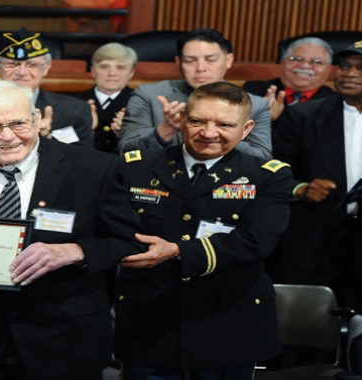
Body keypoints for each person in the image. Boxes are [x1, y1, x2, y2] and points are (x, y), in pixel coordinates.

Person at [0, 80, 149, 380]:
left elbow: (131, 242)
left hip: (65, 342)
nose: (7, 137)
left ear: (35, 118)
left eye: (18, 123)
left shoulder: (94, 168)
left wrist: (76, 251)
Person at [115, 82, 292, 379]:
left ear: (246, 129)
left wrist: (177, 251)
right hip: (149, 321)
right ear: (182, 119)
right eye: (197, 121)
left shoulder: (267, 176)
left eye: (225, 125)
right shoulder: (138, 167)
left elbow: (255, 242)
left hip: (226, 323)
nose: (209, 133)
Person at [274, 40, 362, 317]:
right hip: (313, 243)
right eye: (344, 66)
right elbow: (274, 173)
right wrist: (301, 188)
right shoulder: (302, 116)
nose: (349, 73)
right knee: (306, 339)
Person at [117, 28, 273, 160]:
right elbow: (125, 152)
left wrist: (220, 137)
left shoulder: (255, 104)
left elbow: (262, 157)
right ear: (179, 63)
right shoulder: (149, 95)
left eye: (210, 60)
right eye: (190, 61)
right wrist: (167, 129)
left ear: (228, 60)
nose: (200, 68)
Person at [0, 27, 95, 153]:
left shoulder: (76, 111)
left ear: (46, 68)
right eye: (13, 64)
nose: (22, 72)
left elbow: (82, 165)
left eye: (32, 65)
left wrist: (45, 141)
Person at [243, 37, 337, 122]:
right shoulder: (253, 92)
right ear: (282, 63)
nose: (304, 65)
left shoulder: (336, 103)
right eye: (296, 59)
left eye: (317, 62)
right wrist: (263, 119)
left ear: (329, 70)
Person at [71, 42, 137, 153]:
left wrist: (126, 134)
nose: (112, 73)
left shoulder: (141, 103)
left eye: (120, 67)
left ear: (131, 72)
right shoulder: (73, 103)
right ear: (93, 70)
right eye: (104, 67)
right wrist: (86, 131)